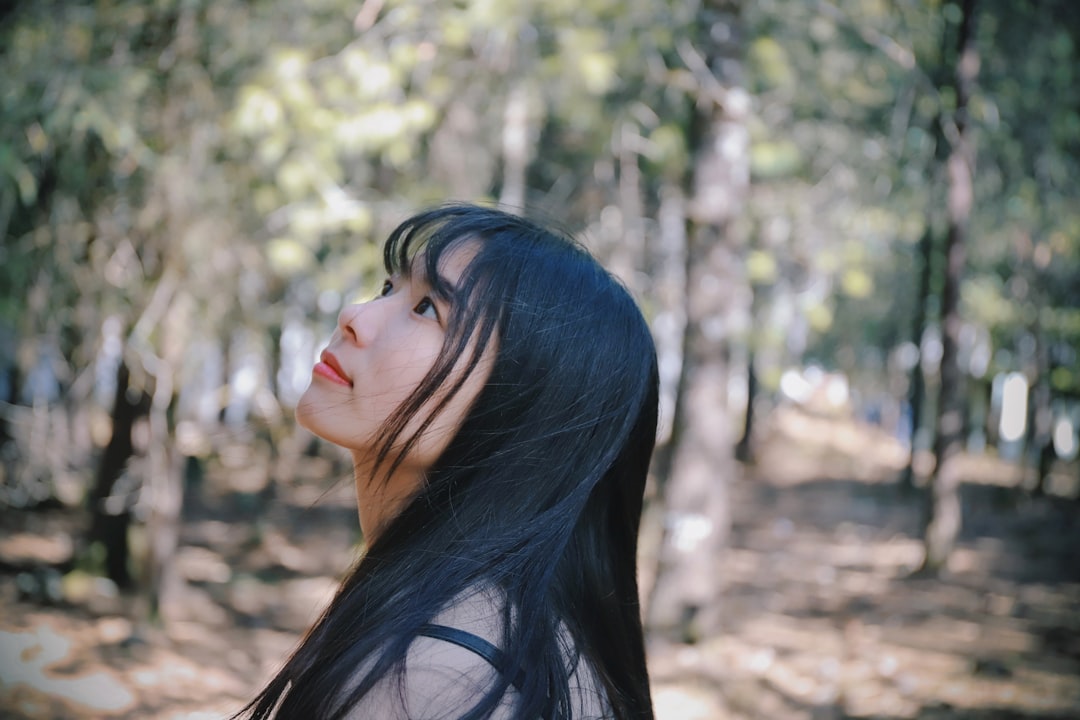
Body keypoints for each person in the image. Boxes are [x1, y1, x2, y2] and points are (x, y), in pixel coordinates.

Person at [235, 204, 659, 720]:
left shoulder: (431, 680)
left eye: (428, 309)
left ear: (520, 404)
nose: (355, 316)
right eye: (388, 289)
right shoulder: (505, 634)